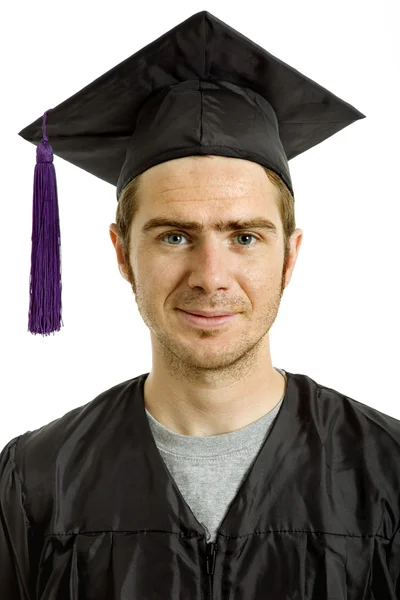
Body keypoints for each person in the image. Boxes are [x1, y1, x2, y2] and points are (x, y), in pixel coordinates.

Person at [1, 10, 399, 599]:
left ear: (289, 257)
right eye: (174, 236)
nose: (211, 277)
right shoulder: (36, 481)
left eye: (244, 237)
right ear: (121, 253)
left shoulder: (387, 475)